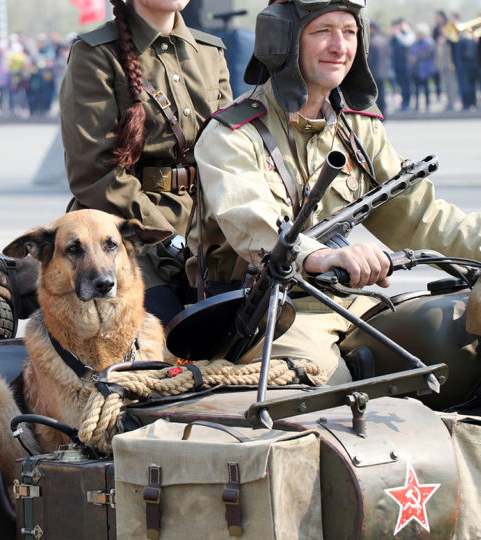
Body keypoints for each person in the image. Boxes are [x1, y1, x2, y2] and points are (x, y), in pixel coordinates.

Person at [188, 0, 481, 385]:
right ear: (284, 41)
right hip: (270, 313)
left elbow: (419, 215)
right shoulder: (232, 135)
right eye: (323, 31)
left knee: (455, 340)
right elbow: (250, 220)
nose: (339, 47)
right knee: (329, 388)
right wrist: (322, 255)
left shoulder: (358, 129)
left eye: (349, 32)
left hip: (354, 301)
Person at [59, 0, 233, 326]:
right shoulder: (95, 54)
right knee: (163, 330)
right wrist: (165, 238)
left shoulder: (210, 53)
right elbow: (96, 173)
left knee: (246, 323)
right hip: (125, 229)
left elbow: (228, 154)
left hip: (205, 222)